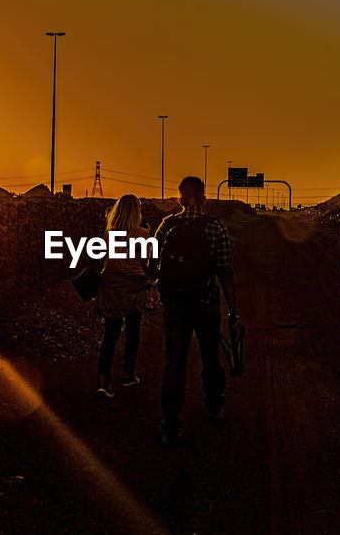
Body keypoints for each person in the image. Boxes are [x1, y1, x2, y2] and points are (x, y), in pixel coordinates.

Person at [152, 176, 238, 446]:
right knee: (210, 355)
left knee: (174, 361)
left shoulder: (167, 225)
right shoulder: (215, 227)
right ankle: (214, 402)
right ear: (204, 198)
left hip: (175, 305)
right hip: (206, 302)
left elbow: (154, 263)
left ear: (179, 199)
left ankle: (170, 423)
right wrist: (233, 310)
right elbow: (225, 271)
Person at [96, 194, 151, 398]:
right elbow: (144, 263)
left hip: (110, 289)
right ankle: (128, 374)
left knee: (110, 335)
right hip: (133, 289)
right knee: (132, 332)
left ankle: (104, 380)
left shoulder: (107, 235)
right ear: (136, 212)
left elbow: (103, 260)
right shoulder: (143, 234)